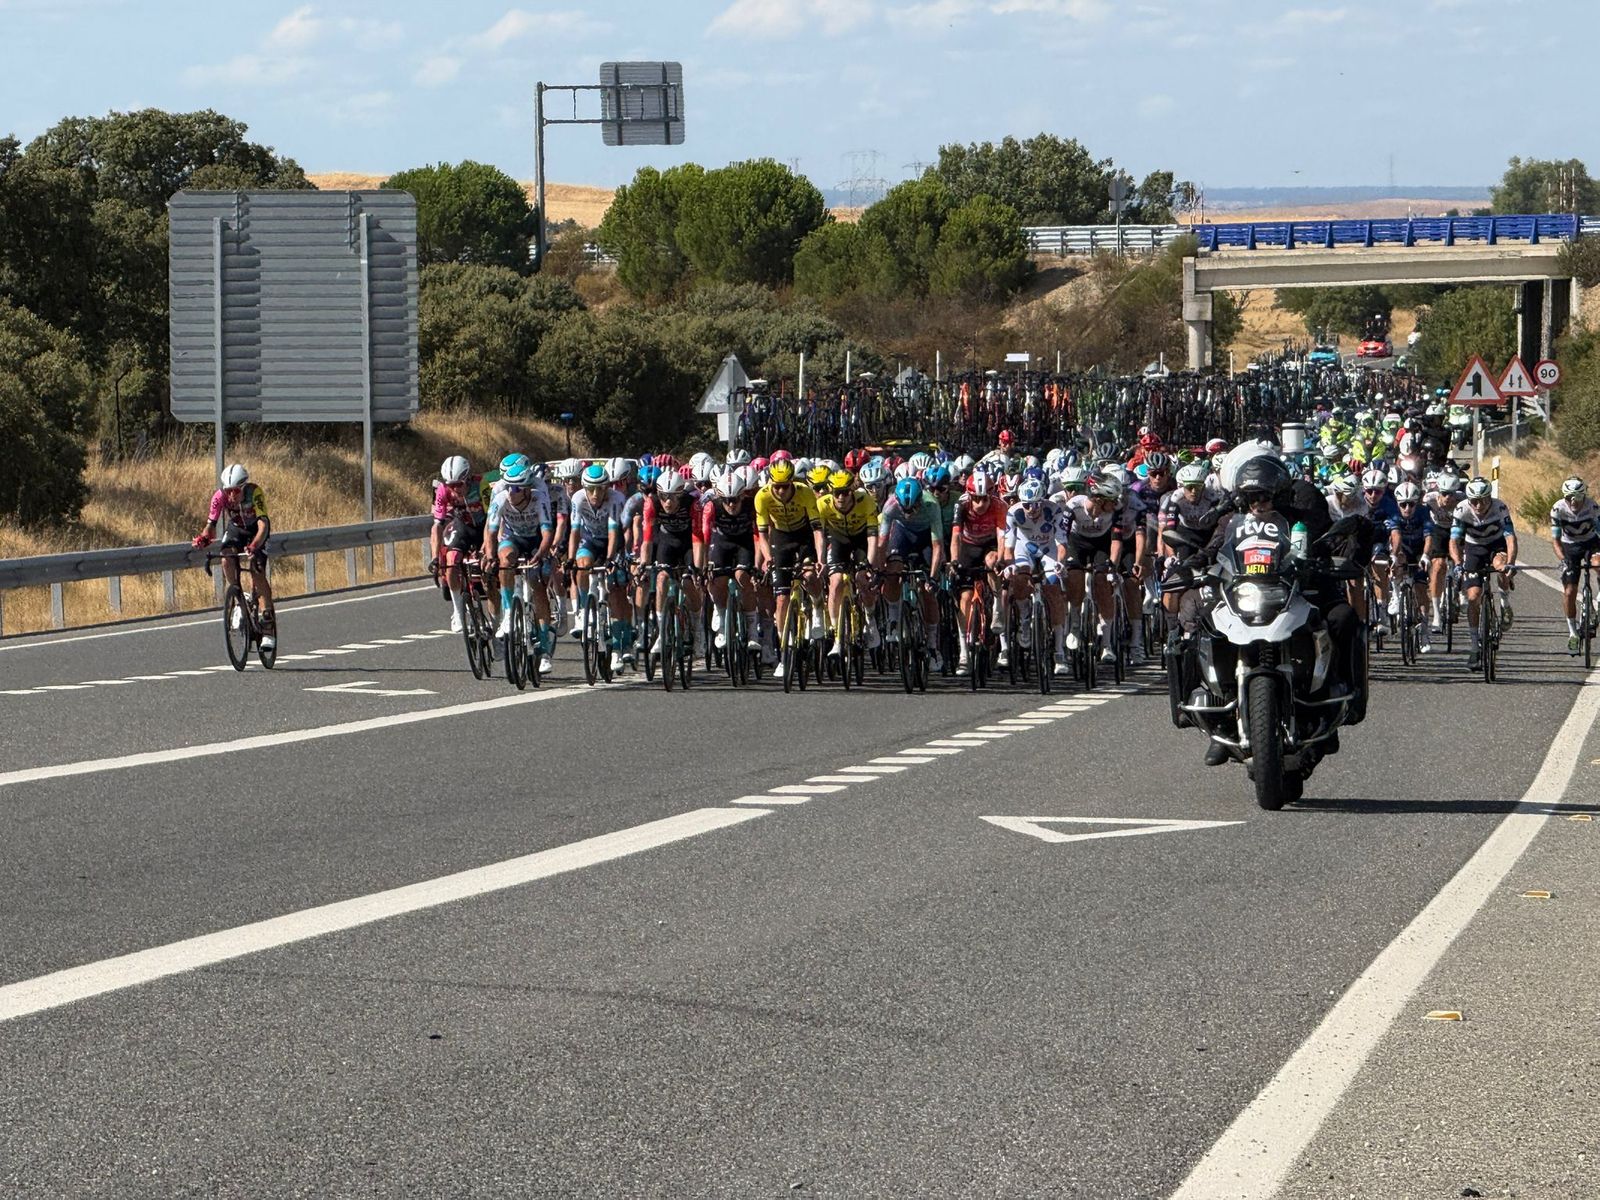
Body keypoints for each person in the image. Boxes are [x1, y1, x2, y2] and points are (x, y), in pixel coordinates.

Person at [754, 459, 825, 682]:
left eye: (786, 486)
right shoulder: (762, 496)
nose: (782, 491)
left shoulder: (804, 493)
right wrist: (767, 559)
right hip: (781, 538)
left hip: (804, 536)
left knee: (810, 574)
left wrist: (820, 559)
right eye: (777, 486)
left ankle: (816, 607)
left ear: (793, 482)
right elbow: (763, 536)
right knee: (782, 600)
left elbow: (817, 531)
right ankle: (785, 653)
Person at [483, 456, 554, 675]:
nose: (511, 493)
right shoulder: (501, 498)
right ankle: (507, 613)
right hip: (512, 537)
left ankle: (543, 647)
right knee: (505, 560)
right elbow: (491, 531)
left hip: (535, 540)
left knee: (537, 584)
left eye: (516, 490)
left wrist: (541, 554)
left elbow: (547, 533)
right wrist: (490, 555)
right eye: (510, 488)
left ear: (525, 490)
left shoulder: (539, 496)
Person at [193, 463, 276, 650]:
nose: (231, 496)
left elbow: (264, 525)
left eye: (236, 491)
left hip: (257, 531)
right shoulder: (219, 497)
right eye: (228, 491)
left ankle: (268, 624)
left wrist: (254, 545)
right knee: (226, 558)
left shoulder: (254, 492)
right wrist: (204, 538)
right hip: (237, 530)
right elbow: (211, 525)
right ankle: (239, 595)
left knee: (257, 571)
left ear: (244, 486)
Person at [1449, 476, 1517, 672]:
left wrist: (1511, 563)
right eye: (1474, 501)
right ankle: (1474, 647)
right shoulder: (1462, 509)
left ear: (1490, 497)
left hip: (1496, 545)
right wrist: (1458, 564)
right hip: (1474, 549)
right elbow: (1454, 541)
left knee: (1501, 566)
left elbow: (1510, 538)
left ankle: (1504, 604)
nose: (1479, 505)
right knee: (1473, 597)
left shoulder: (1500, 507)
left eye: (1484, 500)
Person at [429, 455, 487, 636]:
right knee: (451, 560)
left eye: (459, 484)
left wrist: (486, 546)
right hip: (464, 527)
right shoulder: (443, 491)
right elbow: (437, 526)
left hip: (485, 527)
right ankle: (457, 610)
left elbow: (495, 518)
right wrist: (435, 558)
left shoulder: (481, 485)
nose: (454, 490)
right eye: (450, 485)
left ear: (468, 478)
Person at [1550, 476, 1600, 654]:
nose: (1573, 501)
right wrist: (1563, 560)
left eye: (1577, 497)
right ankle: (1572, 632)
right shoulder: (1558, 509)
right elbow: (1555, 540)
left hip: (1591, 543)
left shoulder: (1592, 507)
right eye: (1568, 497)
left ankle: (1599, 599)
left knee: (1598, 564)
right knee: (1570, 591)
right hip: (1569, 547)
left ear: (1583, 496)